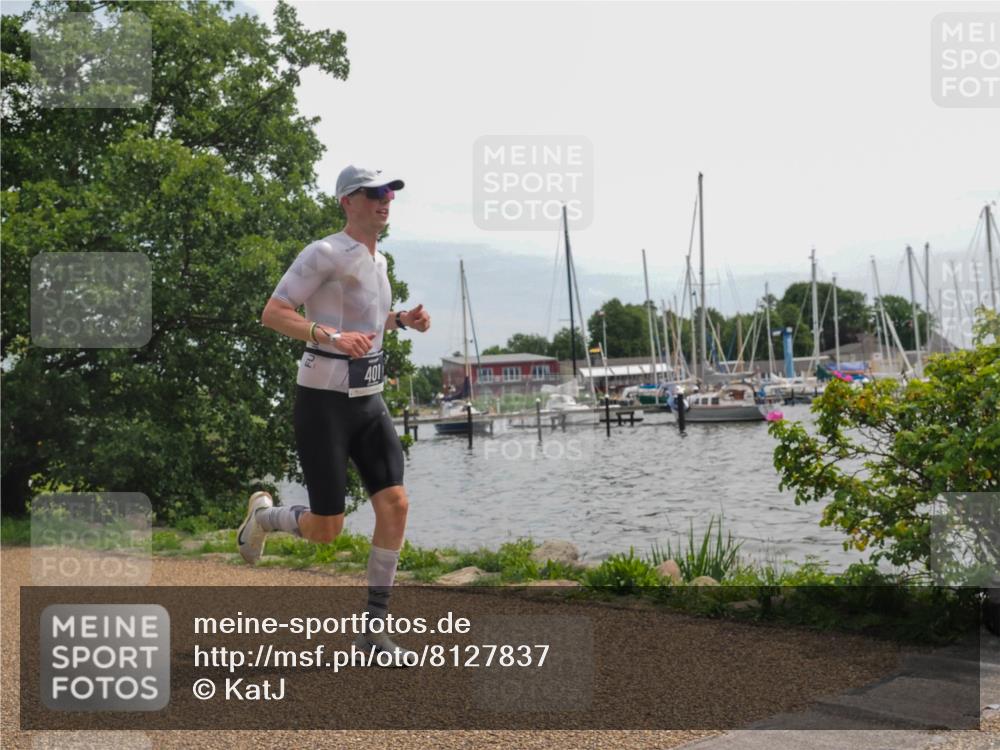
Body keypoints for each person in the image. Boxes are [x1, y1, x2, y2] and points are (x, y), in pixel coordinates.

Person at [238, 165, 431, 663]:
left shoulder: (379, 261)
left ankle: (372, 631)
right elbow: (274, 312)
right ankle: (263, 517)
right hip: (323, 402)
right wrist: (329, 337)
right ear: (348, 201)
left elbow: (364, 320)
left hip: (368, 401)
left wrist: (401, 321)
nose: (385, 200)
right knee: (328, 529)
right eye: (374, 193)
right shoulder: (322, 252)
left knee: (396, 505)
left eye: (390, 192)